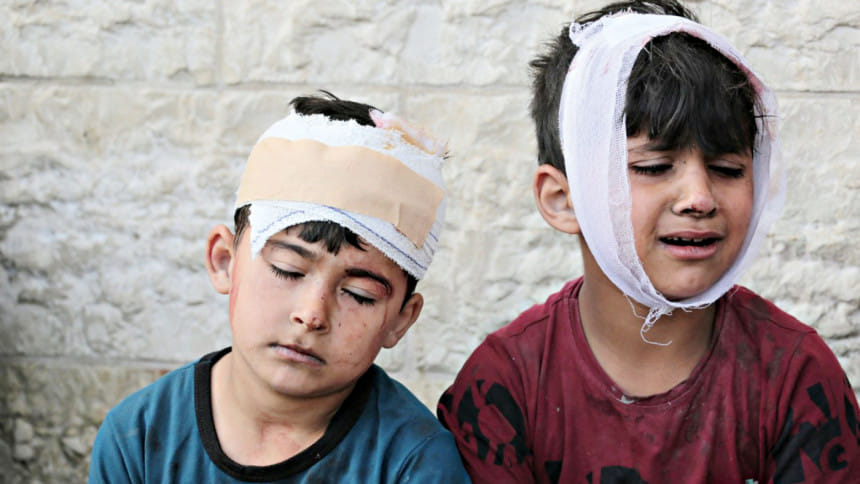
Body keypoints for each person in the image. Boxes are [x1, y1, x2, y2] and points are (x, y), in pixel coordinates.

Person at [437, 1, 860, 483]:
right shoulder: (502, 386)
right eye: (653, 167)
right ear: (563, 200)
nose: (699, 198)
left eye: (727, 169)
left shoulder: (797, 376)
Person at [89, 92, 471, 483]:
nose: (312, 314)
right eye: (288, 270)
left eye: (359, 294)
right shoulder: (138, 438)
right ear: (224, 261)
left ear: (401, 320)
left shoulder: (415, 463)